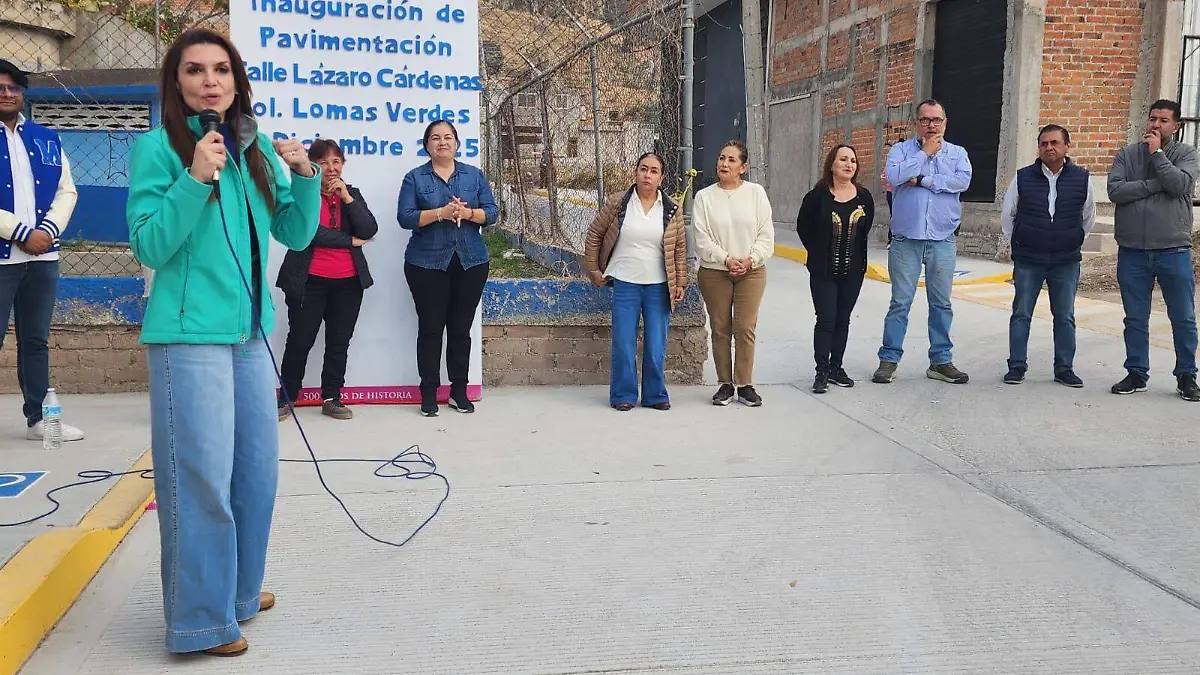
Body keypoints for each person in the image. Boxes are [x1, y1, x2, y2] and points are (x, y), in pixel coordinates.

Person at [126, 28, 321, 656]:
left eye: (221, 69)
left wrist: (305, 175)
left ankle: (238, 593)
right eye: (194, 70)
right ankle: (199, 621)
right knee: (201, 480)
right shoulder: (159, 148)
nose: (209, 80)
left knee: (256, 475)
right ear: (175, 82)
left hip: (249, 334)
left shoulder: (254, 146)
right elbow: (150, 244)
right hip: (189, 336)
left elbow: (295, 231)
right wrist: (193, 178)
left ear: (237, 81)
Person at [0, 59, 84, 442]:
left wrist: (47, 231)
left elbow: (67, 191)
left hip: (42, 258)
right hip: (4, 257)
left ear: (22, 92)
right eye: (0, 88)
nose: (7, 93)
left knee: (35, 341)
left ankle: (39, 420)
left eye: (13, 87)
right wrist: (19, 233)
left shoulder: (46, 137)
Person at [397, 120, 498, 417]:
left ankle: (458, 391)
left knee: (460, 330)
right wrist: (440, 213)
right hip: (426, 264)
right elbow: (405, 217)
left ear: (457, 143)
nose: (442, 142)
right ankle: (429, 392)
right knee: (430, 328)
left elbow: (492, 213)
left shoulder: (474, 175)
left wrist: (467, 212)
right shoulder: (415, 178)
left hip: (471, 262)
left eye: (448, 137)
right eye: (435, 138)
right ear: (426, 145)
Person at [276, 139, 378, 421]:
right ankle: (286, 398)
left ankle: (332, 398)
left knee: (338, 343)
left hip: (348, 283)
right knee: (299, 341)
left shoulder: (352, 194)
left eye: (336, 162)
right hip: (308, 281)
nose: (331, 168)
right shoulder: (303, 194)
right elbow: (308, 232)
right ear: (312, 165)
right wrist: (349, 241)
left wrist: (347, 199)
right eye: (323, 162)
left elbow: (369, 229)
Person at [874, 99, 972, 385]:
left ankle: (941, 361)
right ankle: (888, 360)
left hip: (942, 239)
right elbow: (894, 176)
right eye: (925, 120)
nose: (931, 125)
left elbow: (961, 182)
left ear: (945, 123)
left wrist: (923, 180)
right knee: (900, 303)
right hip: (906, 240)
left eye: (936, 120)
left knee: (941, 304)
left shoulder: (957, 154)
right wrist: (924, 154)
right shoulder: (900, 151)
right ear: (916, 123)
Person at [1107, 99, 1199, 401]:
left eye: (1163, 120)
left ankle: (1186, 375)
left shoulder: (1187, 154)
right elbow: (1115, 191)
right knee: (1135, 317)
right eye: (1152, 119)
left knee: (1182, 316)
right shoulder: (1127, 154)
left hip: (1173, 249)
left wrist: (1158, 155)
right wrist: (1153, 184)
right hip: (1132, 250)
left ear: (1176, 126)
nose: (1155, 125)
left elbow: (1179, 185)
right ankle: (1136, 372)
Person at [584, 152, 688, 411]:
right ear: (635, 172)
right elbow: (595, 234)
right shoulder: (618, 203)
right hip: (625, 282)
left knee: (656, 344)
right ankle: (623, 394)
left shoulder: (671, 208)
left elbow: (679, 249)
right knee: (623, 341)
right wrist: (593, 268)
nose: (647, 175)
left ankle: (655, 394)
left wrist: (680, 282)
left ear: (661, 178)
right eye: (643, 169)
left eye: (654, 171)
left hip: (659, 285)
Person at [1001, 124, 1095, 387]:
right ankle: (1016, 366)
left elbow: (1088, 217)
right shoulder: (1022, 177)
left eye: (1055, 143)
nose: (1049, 148)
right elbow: (1008, 215)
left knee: (1064, 316)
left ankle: (1064, 369)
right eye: (1044, 143)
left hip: (1065, 260)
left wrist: (1071, 239)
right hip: (1029, 259)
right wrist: (1019, 244)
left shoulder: (1082, 178)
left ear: (1067, 146)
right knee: (1021, 314)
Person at [692, 140, 774, 406]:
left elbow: (766, 235)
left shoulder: (756, 194)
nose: (724, 164)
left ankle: (745, 384)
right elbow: (701, 239)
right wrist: (725, 259)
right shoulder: (704, 197)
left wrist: (751, 259)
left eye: (731, 160)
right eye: (721, 158)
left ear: (743, 167)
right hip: (715, 271)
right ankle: (725, 384)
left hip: (752, 271)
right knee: (720, 327)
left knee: (745, 326)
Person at [796, 144, 874, 394]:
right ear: (832, 164)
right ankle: (821, 371)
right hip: (823, 272)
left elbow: (865, 230)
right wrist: (817, 252)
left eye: (853, 160)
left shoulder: (864, 197)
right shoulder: (816, 197)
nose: (849, 164)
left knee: (843, 320)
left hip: (853, 272)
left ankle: (836, 368)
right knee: (826, 319)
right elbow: (803, 227)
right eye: (843, 159)